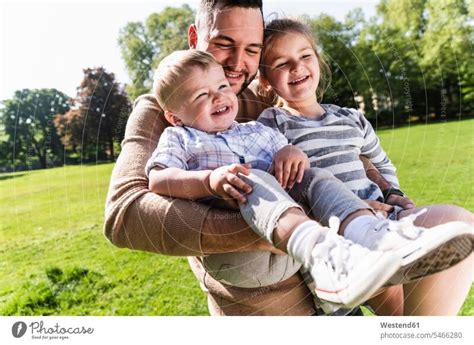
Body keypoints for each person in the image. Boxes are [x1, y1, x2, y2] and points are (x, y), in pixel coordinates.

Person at [104, 0, 474, 315]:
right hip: (267, 301)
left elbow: (338, 144)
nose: (237, 63)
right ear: (195, 37)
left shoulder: (266, 98)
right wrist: (283, 228)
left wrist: (379, 195)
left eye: (252, 49)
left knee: (458, 227)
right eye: (223, 43)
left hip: (344, 241)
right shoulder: (164, 108)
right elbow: (125, 215)